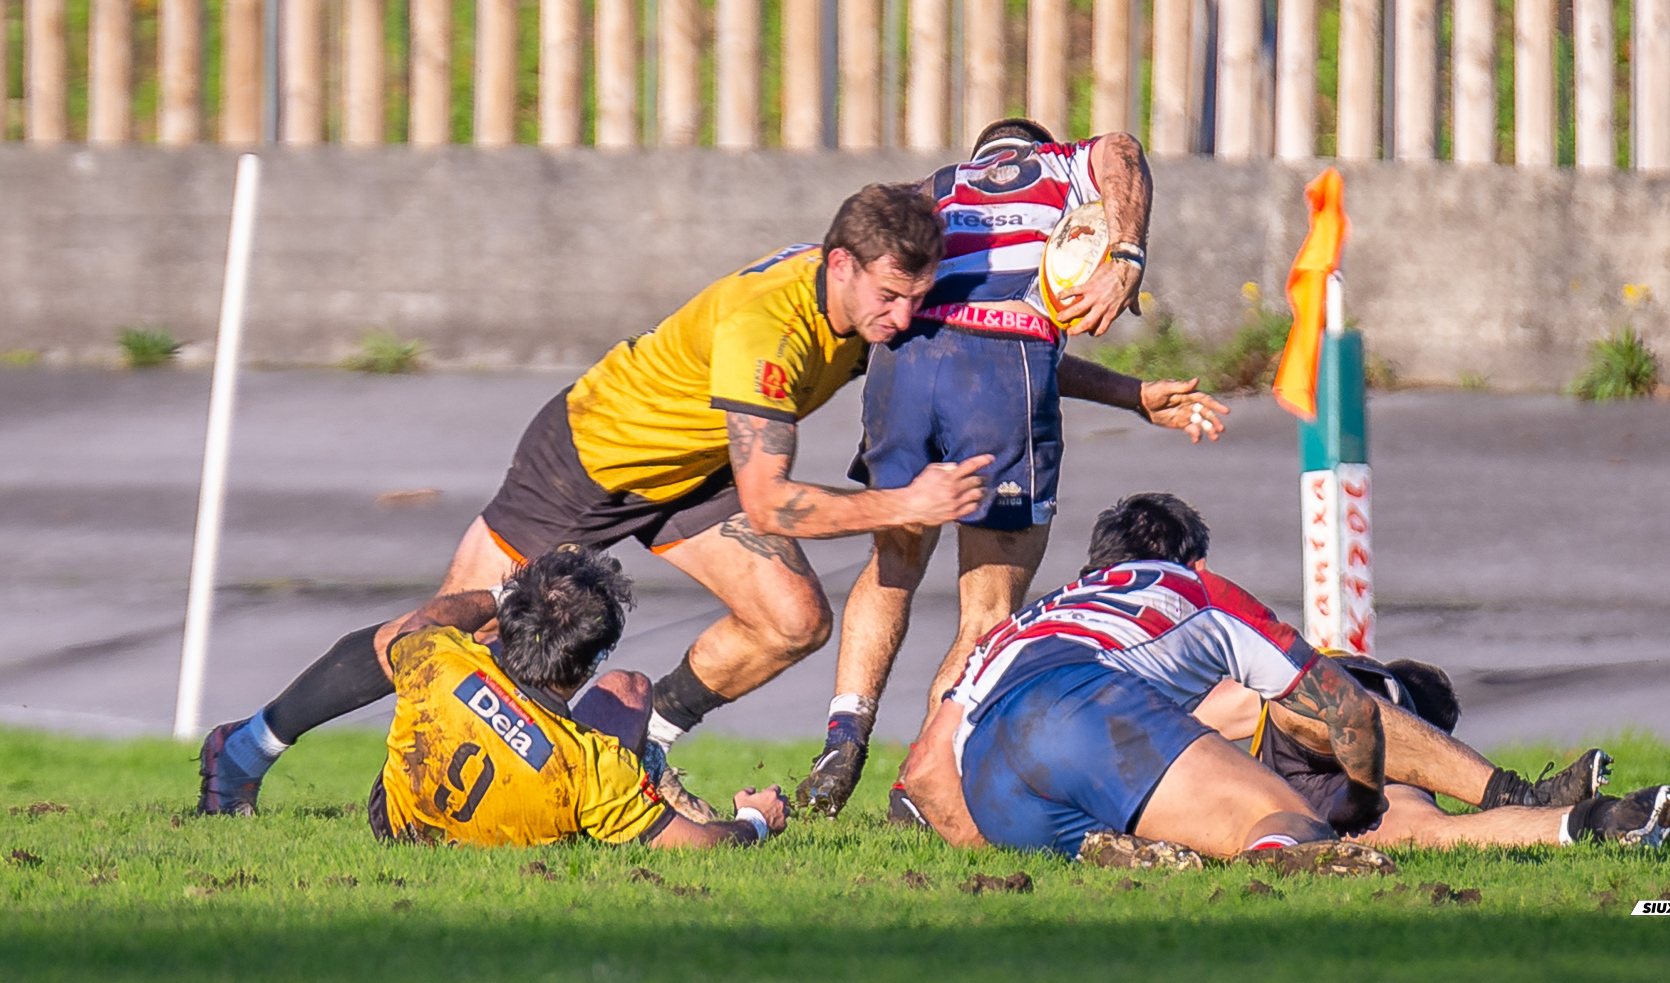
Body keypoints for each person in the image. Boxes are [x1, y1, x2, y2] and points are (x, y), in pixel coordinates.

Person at [201, 182, 988, 821]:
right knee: (443, 634)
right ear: (840, 263)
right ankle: (243, 749)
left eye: (915, 297)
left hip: (691, 471)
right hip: (586, 461)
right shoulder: (768, 331)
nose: (904, 318)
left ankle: (640, 747)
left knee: (792, 621)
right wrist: (904, 503)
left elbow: (971, 214)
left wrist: (1114, 303)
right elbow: (774, 503)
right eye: (890, 297)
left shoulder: (867, 282)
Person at [800, 120, 1230, 815]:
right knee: (988, 607)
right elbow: (1121, 150)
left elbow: (992, 325)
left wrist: (1133, 397)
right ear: (1036, 148)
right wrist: (1126, 256)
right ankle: (920, 782)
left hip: (904, 367)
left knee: (894, 561)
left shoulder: (932, 191)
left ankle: (845, 731)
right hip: (998, 381)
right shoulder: (1059, 172)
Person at [896, 494, 1661, 859]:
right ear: (1192, 559)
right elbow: (1343, 712)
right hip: (1115, 724)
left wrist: (981, 841)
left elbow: (926, 773)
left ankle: (1584, 825)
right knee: (1314, 806)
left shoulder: (1034, 619)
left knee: (1269, 754)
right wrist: (1358, 796)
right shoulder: (1197, 590)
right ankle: (1533, 806)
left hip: (997, 771)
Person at [371, 548, 788, 848]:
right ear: (589, 666)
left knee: (628, 688)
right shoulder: (589, 768)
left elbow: (427, 619)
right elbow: (695, 844)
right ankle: (641, 782)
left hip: (396, 827)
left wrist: (504, 596)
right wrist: (756, 821)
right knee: (630, 691)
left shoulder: (439, 660)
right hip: (501, 842)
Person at [1193, 659, 1670, 849]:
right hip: (1354, 769)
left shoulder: (1324, 677)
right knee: (1434, 831)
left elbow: (1191, 722)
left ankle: (1552, 804)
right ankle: (1602, 819)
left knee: (1427, 831)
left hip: (1309, 751)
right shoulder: (1399, 741)